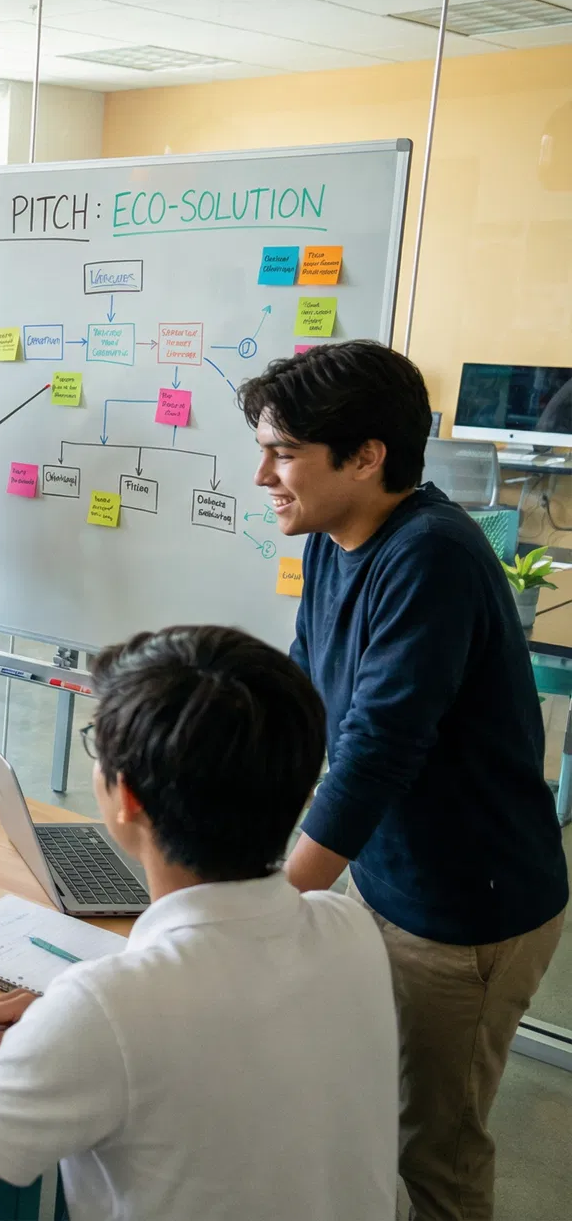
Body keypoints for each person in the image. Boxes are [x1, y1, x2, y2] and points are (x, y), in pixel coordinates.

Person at [0, 625, 398, 1221]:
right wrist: (68, 1024)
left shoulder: (103, 1015)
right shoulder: (351, 932)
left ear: (126, 798)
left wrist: (35, 1054)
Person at [239, 340, 568, 1221]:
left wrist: (257, 912)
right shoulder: (335, 535)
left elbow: (377, 752)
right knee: (367, 1108)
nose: (264, 473)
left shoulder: (432, 555)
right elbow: (309, 703)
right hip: (386, 882)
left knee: (436, 1151)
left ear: (367, 455)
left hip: (465, 909)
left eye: (283, 452)